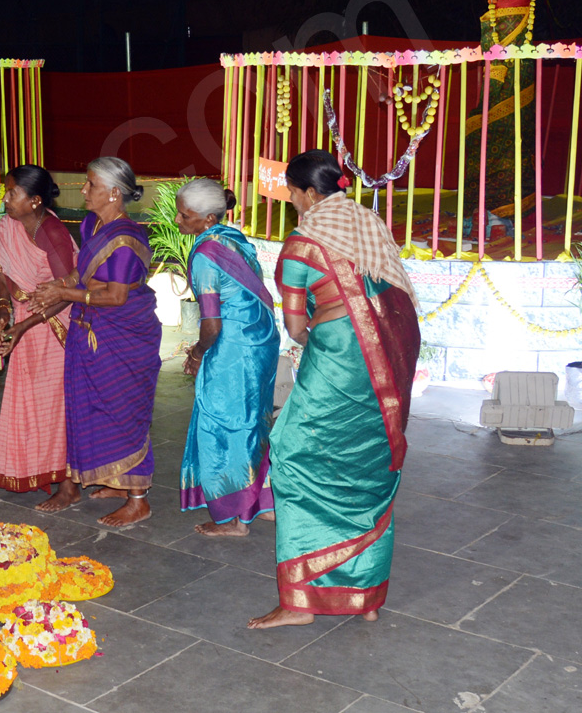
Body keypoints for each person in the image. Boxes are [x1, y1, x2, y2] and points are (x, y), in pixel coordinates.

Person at [248, 149, 420, 630]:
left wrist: (318, 338)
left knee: (294, 454)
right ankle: (363, 595)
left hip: (343, 359)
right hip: (392, 350)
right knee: (368, 461)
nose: (292, 202)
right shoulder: (367, 221)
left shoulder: (303, 243)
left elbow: (297, 326)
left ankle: (301, 600)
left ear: (305, 193)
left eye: (292, 194)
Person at [29, 157, 161, 528]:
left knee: (123, 412)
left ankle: (138, 500)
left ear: (115, 193)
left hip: (122, 335)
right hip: (90, 333)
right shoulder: (92, 223)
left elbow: (116, 296)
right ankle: (118, 483)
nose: (83, 190)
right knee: (89, 409)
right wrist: (62, 285)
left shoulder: (126, 239)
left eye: (91, 185)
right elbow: (83, 271)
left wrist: (68, 295)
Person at [174, 179, 279, 536]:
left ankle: (236, 518)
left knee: (224, 427)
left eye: (185, 216)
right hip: (261, 341)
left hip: (233, 349)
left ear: (207, 218)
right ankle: (263, 503)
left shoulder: (205, 254)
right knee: (254, 422)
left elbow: (212, 322)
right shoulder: (233, 238)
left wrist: (198, 353)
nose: (177, 221)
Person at [0, 165, 77, 497]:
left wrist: (24, 325)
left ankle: (68, 486)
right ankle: (43, 470)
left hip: (54, 324)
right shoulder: (8, 226)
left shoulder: (52, 232)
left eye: (13, 193)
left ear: (36, 200)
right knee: (32, 404)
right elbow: (1, 275)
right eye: (7, 191)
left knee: (57, 404)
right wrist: (2, 314)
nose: (6, 199)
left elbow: (66, 293)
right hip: (24, 320)